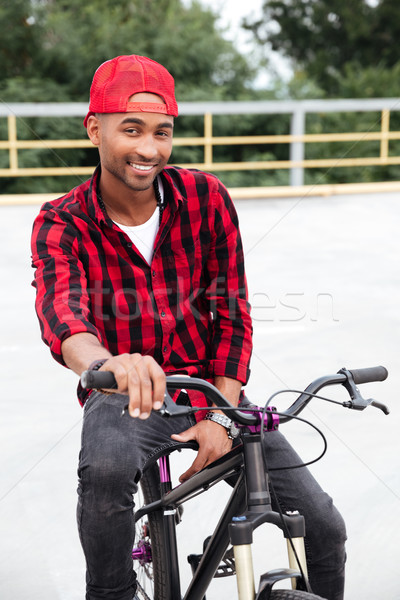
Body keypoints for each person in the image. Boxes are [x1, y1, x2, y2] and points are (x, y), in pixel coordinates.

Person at [31, 54, 346, 600]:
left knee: (323, 527)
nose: (148, 149)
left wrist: (221, 415)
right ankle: (111, 594)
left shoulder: (205, 198)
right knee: (104, 476)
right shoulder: (62, 221)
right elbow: (64, 316)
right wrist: (106, 364)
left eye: (162, 131)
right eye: (131, 129)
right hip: (123, 394)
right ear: (94, 128)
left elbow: (232, 314)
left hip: (211, 387)